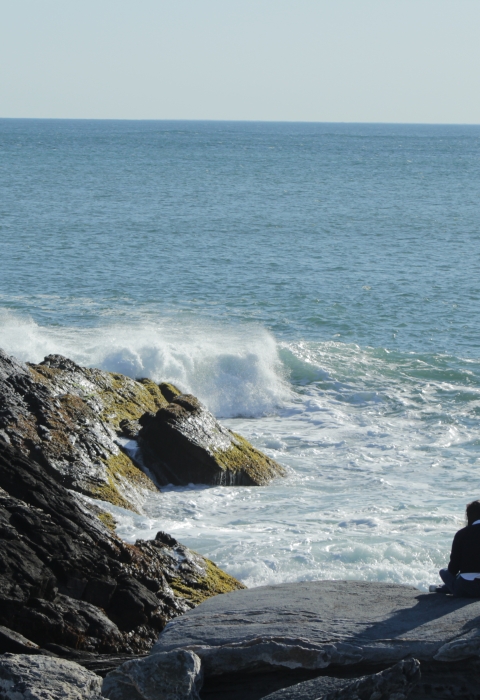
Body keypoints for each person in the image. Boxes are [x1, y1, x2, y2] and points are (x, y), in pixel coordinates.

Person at [430, 500, 480, 597]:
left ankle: (443, 588)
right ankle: (444, 588)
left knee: (444, 572)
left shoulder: (461, 534)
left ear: (469, 516)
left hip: (466, 586)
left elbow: (453, 569)